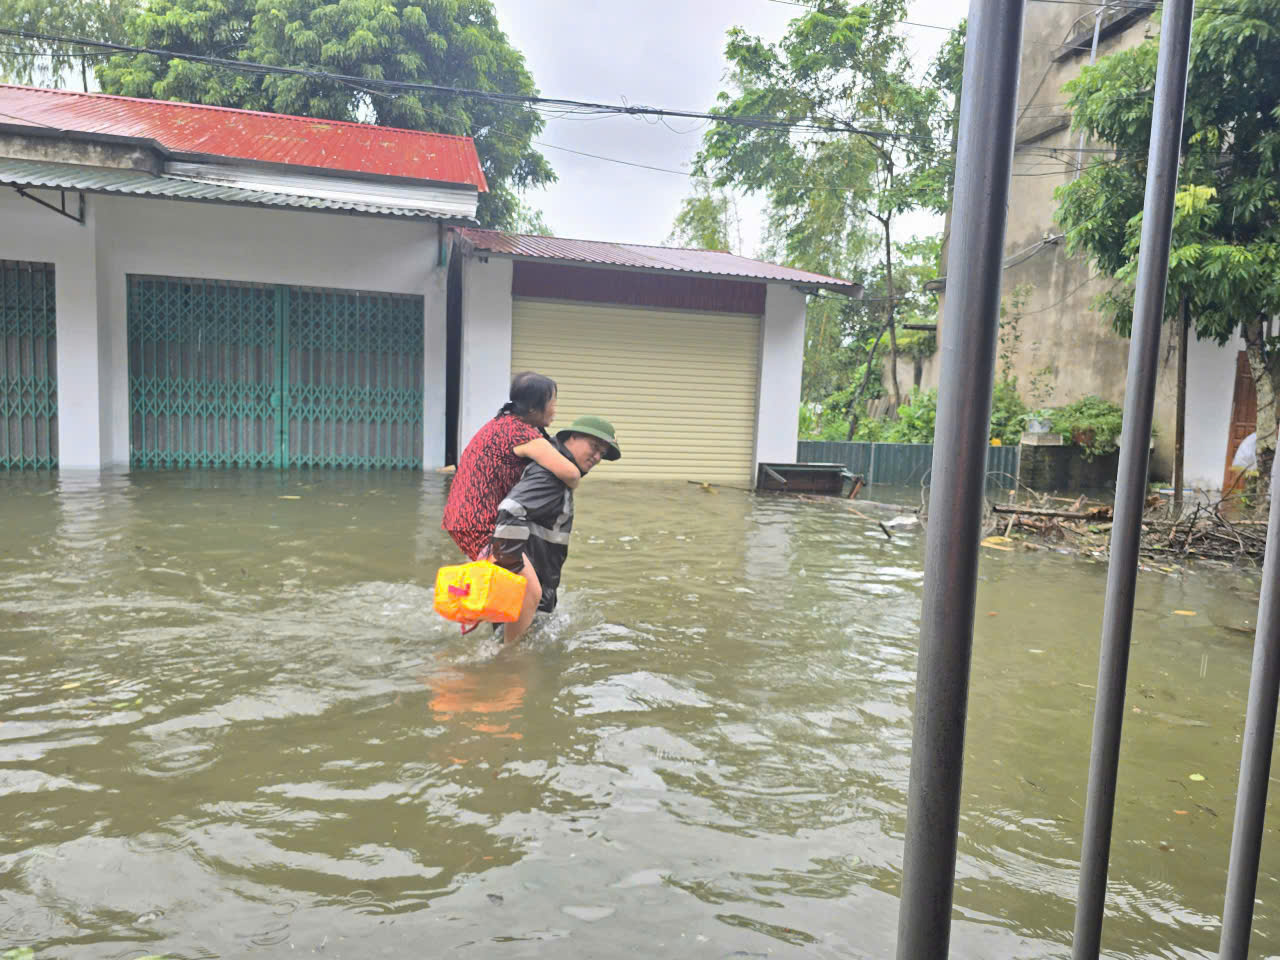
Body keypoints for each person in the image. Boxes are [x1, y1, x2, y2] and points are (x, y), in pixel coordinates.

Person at [442, 372, 581, 592]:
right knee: (527, 590)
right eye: (552, 401)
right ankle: (496, 618)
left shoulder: (501, 422)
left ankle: (468, 607)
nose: (555, 408)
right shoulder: (522, 434)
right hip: (480, 524)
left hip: (462, 518)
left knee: (501, 585)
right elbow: (571, 474)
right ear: (534, 408)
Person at [489, 415, 621, 643]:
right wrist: (519, 578)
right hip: (525, 600)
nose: (598, 457)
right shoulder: (551, 477)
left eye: (603, 453)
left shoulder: (556, 473)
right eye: (594, 447)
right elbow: (509, 512)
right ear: (572, 437)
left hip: (530, 597)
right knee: (511, 663)